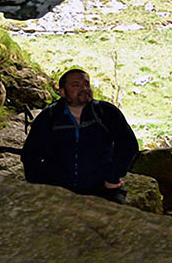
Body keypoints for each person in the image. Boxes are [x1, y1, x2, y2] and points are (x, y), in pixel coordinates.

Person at [21, 68, 139, 204]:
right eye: (76, 85)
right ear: (62, 92)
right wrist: (40, 183)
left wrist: (113, 176)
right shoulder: (49, 117)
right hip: (58, 187)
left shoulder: (106, 112)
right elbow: (30, 154)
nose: (84, 89)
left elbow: (128, 145)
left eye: (86, 84)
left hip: (101, 186)